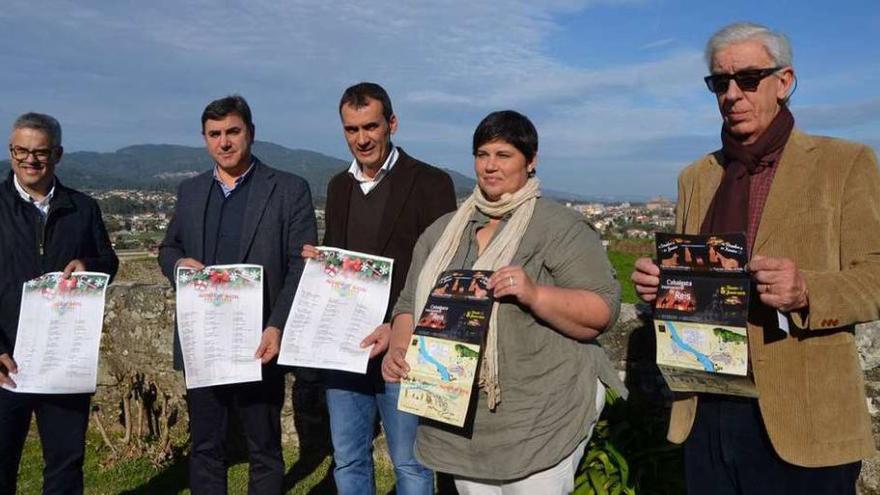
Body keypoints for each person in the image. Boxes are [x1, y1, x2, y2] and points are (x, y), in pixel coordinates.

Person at [631, 22, 880, 494]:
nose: (731, 94)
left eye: (748, 79)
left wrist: (807, 289)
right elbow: (690, 277)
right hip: (705, 407)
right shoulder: (696, 177)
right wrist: (661, 283)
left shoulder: (844, 164)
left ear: (784, 82)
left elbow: (875, 276)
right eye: (719, 82)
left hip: (804, 418)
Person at [383, 110, 624, 494]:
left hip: (540, 412)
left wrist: (536, 293)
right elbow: (410, 303)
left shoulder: (558, 227)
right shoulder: (443, 232)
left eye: (504, 154)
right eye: (482, 154)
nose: (490, 166)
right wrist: (399, 346)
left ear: (531, 161)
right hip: (462, 418)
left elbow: (602, 310)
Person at [301, 82, 456, 494]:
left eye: (370, 126)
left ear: (392, 124)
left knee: (411, 464)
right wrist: (321, 267)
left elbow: (442, 270)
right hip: (345, 347)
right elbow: (342, 262)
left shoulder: (431, 183)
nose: (362, 139)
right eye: (351, 130)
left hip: (402, 344)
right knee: (348, 459)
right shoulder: (337, 187)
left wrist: (398, 327)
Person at [158, 95, 317, 494]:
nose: (224, 142)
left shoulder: (289, 189)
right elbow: (168, 248)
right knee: (207, 446)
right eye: (215, 134)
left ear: (251, 133)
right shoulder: (190, 191)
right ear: (204, 138)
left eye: (233, 131)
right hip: (204, 343)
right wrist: (178, 266)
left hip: (259, 341)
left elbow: (300, 266)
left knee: (263, 446)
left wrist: (278, 326)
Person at [0, 112, 118, 495]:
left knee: (66, 466)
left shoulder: (83, 209)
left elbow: (108, 262)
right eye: (21, 151)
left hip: (64, 358)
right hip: (4, 360)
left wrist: (88, 265)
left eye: (40, 152)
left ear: (58, 154)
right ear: (10, 151)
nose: (30, 160)